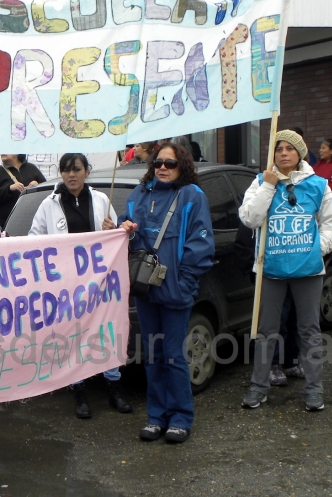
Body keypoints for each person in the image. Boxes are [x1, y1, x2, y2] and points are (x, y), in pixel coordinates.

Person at [117, 143, 214, 444]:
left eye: (170, 164)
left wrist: (184, 283)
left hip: (175, 293)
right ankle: (156, 416)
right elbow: (129, 236)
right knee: (152, 355)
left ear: (182, 166)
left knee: (173, 356)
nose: (163, 168)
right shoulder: (139, 195)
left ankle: (181, 417)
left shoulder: (192, 196)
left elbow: (201, 245)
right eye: (158, 162)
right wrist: (122, 227)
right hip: (146, 291)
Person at [239, 130, 332, 412]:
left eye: (289, 149)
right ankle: (258, 388)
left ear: (300, 153)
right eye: (278, 149)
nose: (283, 153)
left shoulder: (319, 185)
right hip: (270, 269)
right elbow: (250, 218)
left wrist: (316, 248)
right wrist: (269, 186)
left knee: (309, 330)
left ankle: (314, 390)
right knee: (266, 331)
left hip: (308, 270)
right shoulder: (261, 181)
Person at [28, 153, 132, 418]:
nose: (71, 175)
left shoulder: (100, 199)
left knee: (105, 331)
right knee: (71, 333)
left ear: (87, 171)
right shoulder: (48, 205)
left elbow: (117, 236)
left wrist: (114, 229)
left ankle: (114, 386)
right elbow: (33, 240)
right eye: (65, 170)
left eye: (76, 169)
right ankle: (79, 389)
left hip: (99, 282)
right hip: (66, 285)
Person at [0, 154, 46, 228]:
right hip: (7, 227)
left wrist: (37, 185)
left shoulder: (32, 168)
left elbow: (46, 192)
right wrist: (9, 188)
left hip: (32, 224)